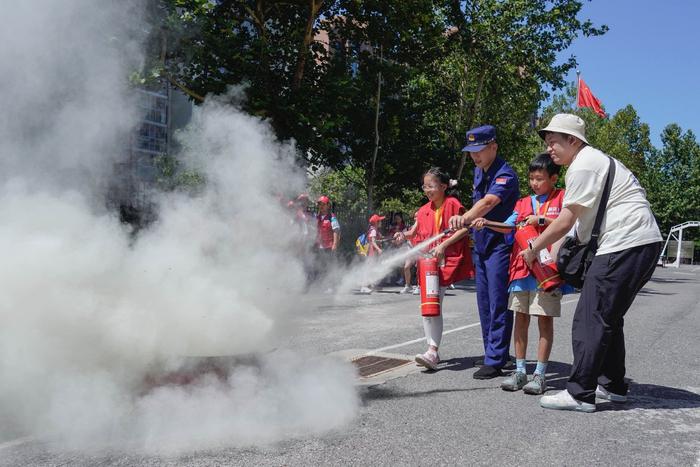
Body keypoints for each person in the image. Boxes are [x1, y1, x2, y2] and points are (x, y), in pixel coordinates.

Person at [523, 113, 662, 412]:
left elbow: (565, 220)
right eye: (547, 143)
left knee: (590, 315)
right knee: (607, 316)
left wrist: (534, 247)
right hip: (640, 242)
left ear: (573, 140)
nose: (549, 149)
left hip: (625, 242)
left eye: (554, 142)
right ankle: (612, 386)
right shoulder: (595, 161)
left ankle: (580, 393)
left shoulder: (583, 165)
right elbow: (577, 227)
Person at [473, 152, 570, 394]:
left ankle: (540, 374)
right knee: (520, 318)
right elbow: (510, 224)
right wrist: (487, 222)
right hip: (521, 269)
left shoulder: (563, 199)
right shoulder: (523, 202)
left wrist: (542, 220)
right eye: (531, 179)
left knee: (544, 320)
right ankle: (519, 370)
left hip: (546, 271)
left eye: (540, 179)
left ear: (554, 178)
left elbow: (569, 225)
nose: (535, 183)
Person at [448, 125, 520, 379]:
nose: (474, 157)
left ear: (493, 147)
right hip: (482, 244)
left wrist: (465, 216)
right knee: (484, 304)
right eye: (471, 152)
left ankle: (496, 358)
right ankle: (492, 351)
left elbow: (488, 202)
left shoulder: (505, 174)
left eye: (479, 151)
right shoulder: (480, 172)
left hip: (500, 245)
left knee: (498, 301)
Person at [394, 168, 474, 370]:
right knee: (428, 307)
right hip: (427, 264)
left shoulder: (453, 204)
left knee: (433, 304)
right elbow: (414, 232)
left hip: (446, 262)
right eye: (424, 186)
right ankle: (431, 350)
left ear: (444, 186)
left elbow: (465, 227)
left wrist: (443, 245)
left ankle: (432, 351)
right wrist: (402, 235)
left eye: (431, 185)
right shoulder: (422, 211)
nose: (427, 190)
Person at [315, 195, 340, 286]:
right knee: (322, 266)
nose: (321, 206)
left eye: (323, 204)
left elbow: (336, 230)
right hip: (320, 247)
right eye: (319, 204)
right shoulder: (317, 217)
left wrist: (335, 244)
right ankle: (324, 285)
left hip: (329, 246)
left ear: (328, 205)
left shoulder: (331, 217)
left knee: (330, 266)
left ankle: (332, 285)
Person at [359, 214, 385, 294]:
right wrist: (379, 249)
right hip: (372, 253)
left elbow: (375, 240)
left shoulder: (374, 230)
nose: (381, 222)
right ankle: (364, 287)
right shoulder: (373, 230)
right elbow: (373, 242)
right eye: (380, 221)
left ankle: (370, 285)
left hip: (372, 253)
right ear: (376, 222)